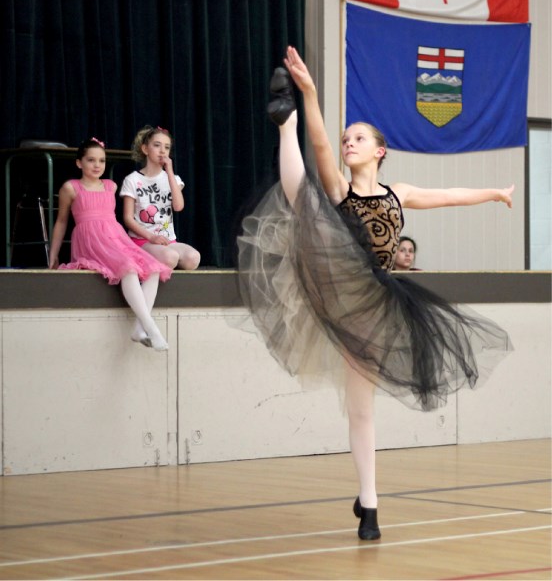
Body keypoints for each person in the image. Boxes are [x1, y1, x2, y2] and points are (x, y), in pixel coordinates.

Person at [237, 47, 514, 541]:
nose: (349, 143)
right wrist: (310, 97)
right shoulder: (342, 188)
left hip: (375, 301)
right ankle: (284, 125)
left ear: (379, 150)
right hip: (335, 277)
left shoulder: (398, 193)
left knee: (361, 409)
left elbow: (448, 197)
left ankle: (369, 506)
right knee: (307, 197)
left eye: (358, 138)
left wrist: (495, 193)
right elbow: (320, 145)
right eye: (348, 138)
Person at [49, 138, 172, 351]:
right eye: (91, 160)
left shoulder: (111, 186)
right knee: (129, 268)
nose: (97, 165)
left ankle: (138, 327)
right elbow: (61, 221)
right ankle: (151, 327)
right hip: (91, 239)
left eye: (102, 161)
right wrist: (54, 253)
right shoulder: (71, 188)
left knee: (153, 268)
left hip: (115, 237)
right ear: (79, 163)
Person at [120, 125, 200, 271]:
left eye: (167, 147)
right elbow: (128, 218)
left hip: (167, 241)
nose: (162, 151)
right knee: (170, 258)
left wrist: (169, 171)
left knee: (193, 258)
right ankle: (143, 261)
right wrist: (151, 237)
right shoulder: (132, 180)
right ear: (145, 149)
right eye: (157, 145)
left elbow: (178, 206)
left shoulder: (174, 179)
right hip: (143, 240)